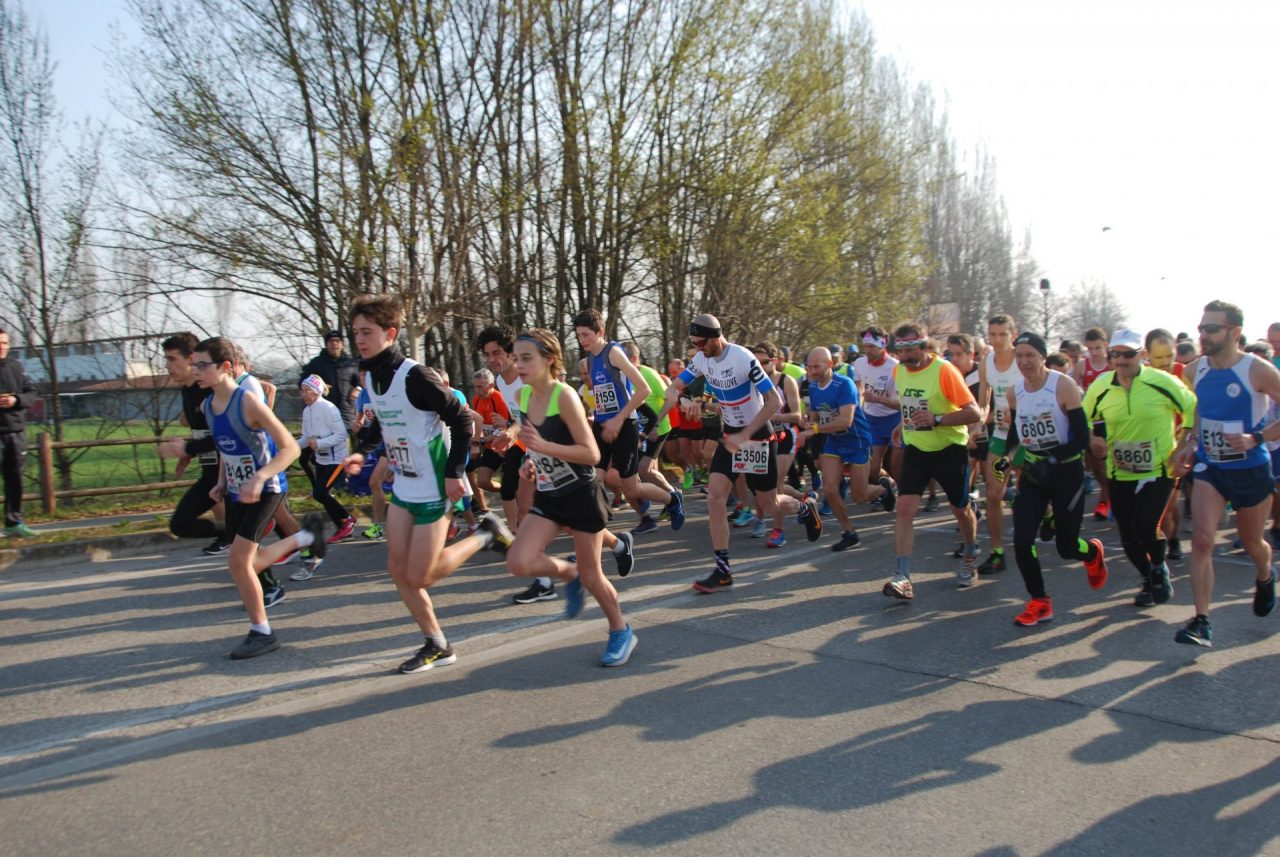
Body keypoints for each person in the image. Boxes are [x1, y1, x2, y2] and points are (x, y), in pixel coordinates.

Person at [342, 295, 513, 673]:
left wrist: (454, 471)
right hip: (405, 485)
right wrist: (362, 451)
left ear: (390, 333)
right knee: (397, 568)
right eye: (355, 332)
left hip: (435, 483)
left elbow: (462, 420)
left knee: (421, 574)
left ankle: (485, 535)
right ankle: (437, 643)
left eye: (367, 332)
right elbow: (383, 423)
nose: (360, 339)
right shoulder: (372, 376)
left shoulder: (416, 376)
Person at [656, 314, 819, 592]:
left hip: (758, 435)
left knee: (768, 504)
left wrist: (746, 435)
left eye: (701, 342)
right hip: (731, 435)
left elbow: (773, 401)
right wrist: (683, 400)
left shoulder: (742, 358)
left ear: (716, 336)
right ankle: (723, 571)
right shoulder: (702, 359)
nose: (698, 348)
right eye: (694, 343)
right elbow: (671, 389)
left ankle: (805, 507)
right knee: (715, 497)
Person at [504, 329, 638, 666]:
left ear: (549, 360)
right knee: (519, 560)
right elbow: (535, 443)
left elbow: (591, 454)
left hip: (580, 494)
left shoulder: (564, 396)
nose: (519, 365)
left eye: (526, 358)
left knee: (594, 576)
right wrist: (530, 461)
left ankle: (621, 630)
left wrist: (544, 448)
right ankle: (569, 574)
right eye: (516, 358)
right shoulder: (522, 396)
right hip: (549, 494)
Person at [192, 336, 326, 659]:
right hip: (237, 490)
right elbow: (226, 448)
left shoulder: (248, 401)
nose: (195, 371)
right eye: (194, 365)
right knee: (245, 563)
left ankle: (262, 632)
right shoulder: (208, 406)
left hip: (266, 489)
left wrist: (260, 477)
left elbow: (290, 448)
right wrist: (222, 481)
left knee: (239, 562)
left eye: (202, 365)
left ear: (225, 367)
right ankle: (306, 537)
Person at [1170, 301, 1280, 647]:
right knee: (1202, 540)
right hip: (1211, 466)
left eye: (1212, 329)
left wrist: (1255, 438)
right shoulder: (1194, 370)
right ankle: (1201, 621)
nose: (1203, 335)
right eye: (1201, 328)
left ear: (1234, 332)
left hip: (1250, 468)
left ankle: (1265, 574)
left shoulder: (1256, 370)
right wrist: (1189, 442)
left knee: (1253, 543)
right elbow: (1199, 411)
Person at [995, 332, 1109, 626]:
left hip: (1066, 473)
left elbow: (1081, 437)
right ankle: (1039, 601)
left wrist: (1052, 460)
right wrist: (1008, 457)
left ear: (1042, 357)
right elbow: (1015, 435)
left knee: (1066, 547)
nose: (1024, 361)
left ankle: (1092, 552)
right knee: (1022, 540)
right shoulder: (1015, 392)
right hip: (1034, 474)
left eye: (1030, 355)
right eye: (1019, 356)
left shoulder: (1063, 385)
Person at [1084, 329, 1196, 607]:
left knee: (1145, 524)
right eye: (1116, 354)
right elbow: (1081, 417)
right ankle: (1150, 577)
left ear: (1142, 355)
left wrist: (1183, 445)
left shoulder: (1162, 381)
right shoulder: (1101, 386)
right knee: (1128, 536)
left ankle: (1158, 563)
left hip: (1159, 469)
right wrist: (1092, 438)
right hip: (1120, 471)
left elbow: (1193, 408)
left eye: (1128, 354)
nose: (1121, 360)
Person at [881, 324, 982, 600]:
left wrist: (937, 419)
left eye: (910, 349)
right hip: (917, 447)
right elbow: (910, 404)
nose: (904, 356)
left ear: (924, 346)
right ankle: (903, 577)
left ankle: (970, 554)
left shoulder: (944, 371)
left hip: (949, 449)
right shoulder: (900, 371)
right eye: (900, 351)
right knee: (905, 507)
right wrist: (902, 424)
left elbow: (974, 412)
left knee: (960, 509)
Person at [573, 309, 685, 533]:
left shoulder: (614, 353)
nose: (582, 340)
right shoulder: (590, 359)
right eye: (578, 335)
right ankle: (591, 531)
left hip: (624, 426)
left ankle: (672, 500)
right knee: (595, 479)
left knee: (631, 488)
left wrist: (618, 419)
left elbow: (643, 390)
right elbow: (606, 394)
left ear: (600, 332)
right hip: (603, 426)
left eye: (586, 334)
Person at [801, 346, 892, 551]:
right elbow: (814, 418)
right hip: (834, 441)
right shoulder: (813, 388)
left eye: (816, 367)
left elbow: (845, 421)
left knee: (859, 496)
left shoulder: (844, 384)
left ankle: (883, 489)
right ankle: (849, 532)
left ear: (830, 364)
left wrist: (814, 429)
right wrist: (807, 424)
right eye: (809, 367)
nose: (812, 371)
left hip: (856, 440)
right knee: (830, 488)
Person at [158, 332, 226, 548]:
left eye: (172, 359)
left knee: (276, 518)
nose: (167, 366)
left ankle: (305, 543)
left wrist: (188, 447)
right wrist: (187, 454)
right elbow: (203, 431)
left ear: (191, 359)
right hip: (211, 472)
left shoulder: (210, 390)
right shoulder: (187, 391)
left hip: (234, 472)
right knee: (180, 524)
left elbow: (227, 435)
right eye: (166, 359)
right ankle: (230, 533)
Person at [975, 314, 1020, 575]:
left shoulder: (1023, 360)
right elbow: (984, 404)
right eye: (993, 334)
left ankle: (1048, 514)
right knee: (994, 493)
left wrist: (1018, 412)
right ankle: (997, 553)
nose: (997, 339)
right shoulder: (986, 363)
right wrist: (979, 423)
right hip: (1002, 436)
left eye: (1003, 334)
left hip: (1026, 437)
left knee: (1036, 489)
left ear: (1013, 335)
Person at [298, 374, 356, 549]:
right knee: (323, 495)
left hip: (337, 459)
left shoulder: (329, 408)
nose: (303, 394)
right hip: (322, 459)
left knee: (320, 493)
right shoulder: (307, 411)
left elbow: (341, 434)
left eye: (307, 390)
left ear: (316, 391)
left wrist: (319, 443)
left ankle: (347, 520)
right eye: (302, 391)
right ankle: (343, 529)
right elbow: (306, 437)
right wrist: (289, 447)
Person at [852, 326, 900, 503]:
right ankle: (888, 486)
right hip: (872, 420)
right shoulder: (859, 363)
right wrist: (858, 403)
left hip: (895, 419)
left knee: (896, 464)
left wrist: (879, 399)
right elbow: (859, 387)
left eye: (872, 346)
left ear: (883, 345)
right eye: (865, 346)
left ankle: (905, 494)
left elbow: (903, 403)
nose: (867, 350)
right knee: (872, 470)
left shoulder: (895, 367)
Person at [0, 329, 37, 537]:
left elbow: (31, 392)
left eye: (5, 343)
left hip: (16, 432)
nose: (2, 347)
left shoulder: (16, 367)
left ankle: (13, 523)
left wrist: (16, 400)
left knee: (15, 480)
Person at [1074, 327, 1113, 519]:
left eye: (1098, 348)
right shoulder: (1082, 366)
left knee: (1107, 464)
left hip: (1110, 420)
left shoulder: (1112, 365)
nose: (1094, 352)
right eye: (1090, 349)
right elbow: (1073, 391)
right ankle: (1107, 495)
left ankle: (1105, 501)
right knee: (1095, 466)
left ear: (1105, 345)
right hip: (1091, 421)